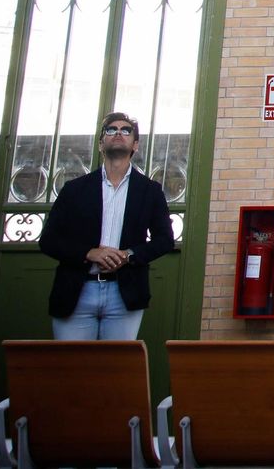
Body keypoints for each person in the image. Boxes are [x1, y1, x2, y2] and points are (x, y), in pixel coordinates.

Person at [41, 111, 175, 339]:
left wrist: (128, 255)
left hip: (123, 293)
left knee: (116, 369)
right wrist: (88, 253)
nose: (118, 133)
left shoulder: (149, 191)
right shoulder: (74, 189)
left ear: (136, 145)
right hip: (78, 289)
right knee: (71, 367)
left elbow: (164, 240)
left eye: (126, 130)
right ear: (101, 144)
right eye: (111, 130)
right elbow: (49, 240)